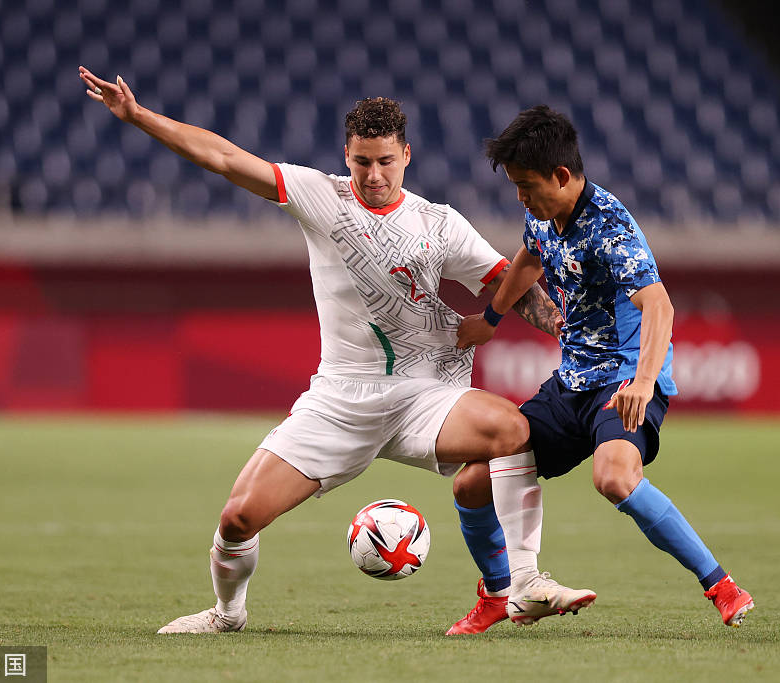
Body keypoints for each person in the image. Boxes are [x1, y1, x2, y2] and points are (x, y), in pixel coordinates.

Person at [78, 67, 593, 635]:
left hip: (426, 393)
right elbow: (223, 158)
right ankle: (227, 614)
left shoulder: (439, 224)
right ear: (346, 156)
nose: (373, 175)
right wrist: (139, 116)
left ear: (407, 156)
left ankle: (521, 584)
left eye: (385, 161)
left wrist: (568, 329)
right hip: (340, 400)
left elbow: (511, 286)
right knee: (238, 518)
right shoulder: (320, 196)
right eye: (361, 162)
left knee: (512, 430)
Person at [457, 105, 755, 628]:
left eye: (526, 186)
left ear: (562, 175)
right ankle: (500, 595)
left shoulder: (610, 226)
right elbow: (528, 258)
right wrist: (491, 318)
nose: (521, 197)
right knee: (472, 483)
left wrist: (643, 382)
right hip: (571, 383)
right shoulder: (543, 215)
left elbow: (659, 305)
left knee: (614, 477)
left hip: (622, 382)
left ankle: (722, 586)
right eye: (516, 187)